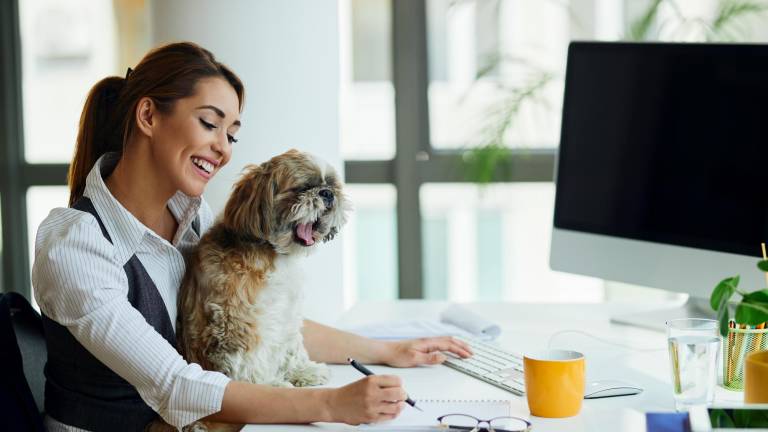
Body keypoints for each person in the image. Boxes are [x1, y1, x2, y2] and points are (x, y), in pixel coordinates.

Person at [31, 41, 472, 431]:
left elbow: (260, 325)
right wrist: (331, 404)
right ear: (148, 115)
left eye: (232, 134)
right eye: (209, 123)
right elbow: (174, 385)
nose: (223, 148)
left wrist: (388, 351)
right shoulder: (76, 244)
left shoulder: (191, 218)